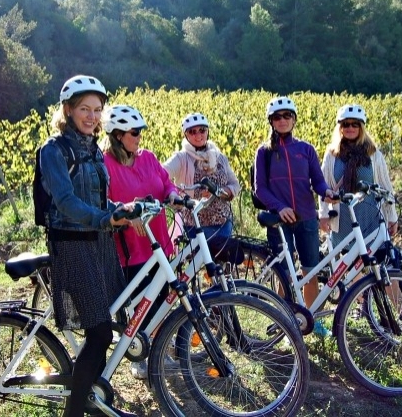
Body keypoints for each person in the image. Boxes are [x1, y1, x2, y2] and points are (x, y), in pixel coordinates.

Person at [38, 75, 137, 417]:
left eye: (97, 110)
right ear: (67, 110)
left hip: (97, 244)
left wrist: (119, 211)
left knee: (103, 330)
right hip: (72, 245)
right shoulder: (54, 149)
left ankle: (88, 396)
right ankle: (74, 411)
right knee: (98, 333)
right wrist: (102, 219)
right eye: (84, 109)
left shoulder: (93, 149)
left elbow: (98, 199)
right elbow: (64, 200)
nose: (92, 116)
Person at [101, 104, 180, 380]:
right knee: (141, 305)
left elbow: (165, 182)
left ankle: (157, 350)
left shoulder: (148, 158)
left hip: (160, 244)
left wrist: (172, 196)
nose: (139, 137)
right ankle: (138, 357)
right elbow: (104, 204)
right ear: (118, 135)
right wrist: (124, 210)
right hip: (131, 249)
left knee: (163, 301)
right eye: (134, 132)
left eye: (140, 131)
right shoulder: (105, 165)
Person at [252, 96, 333, 335]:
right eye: (277, 117)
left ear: (294, 119)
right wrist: (280, 207)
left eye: (287, 116)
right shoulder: (264, 152)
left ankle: (313, 319)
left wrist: (327, 192)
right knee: (283, 275)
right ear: (271, 122)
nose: (283, 120)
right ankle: (283, 322)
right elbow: (260, 188)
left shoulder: (306, 149)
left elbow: (317, 181)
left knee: (310, 270)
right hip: (279, 220)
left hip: (307, 216)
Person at [163, 112, 243, 265]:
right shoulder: (182, 158)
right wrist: (174, 192)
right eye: (192, 131)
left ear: (207, 131)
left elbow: (235, 184)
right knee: (196, 269)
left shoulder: (220, 157)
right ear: (186, 135)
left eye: (202, 130)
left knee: (222, 269)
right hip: (195, 225)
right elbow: (161, 174)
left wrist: (224, 192)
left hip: (222, 223)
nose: (198, 135)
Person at [319, 104, 399, 249]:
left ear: (361, 127)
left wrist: (392, 217)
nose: (350, 128)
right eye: (346, 124)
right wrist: (323, 214)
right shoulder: (331, 155)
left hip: (370, 219)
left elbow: (385, 187)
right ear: (340, 127)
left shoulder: (373, 154)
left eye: (355, 124)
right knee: (347, 267)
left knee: (373, 266)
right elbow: (324, 186)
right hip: (342, 220)